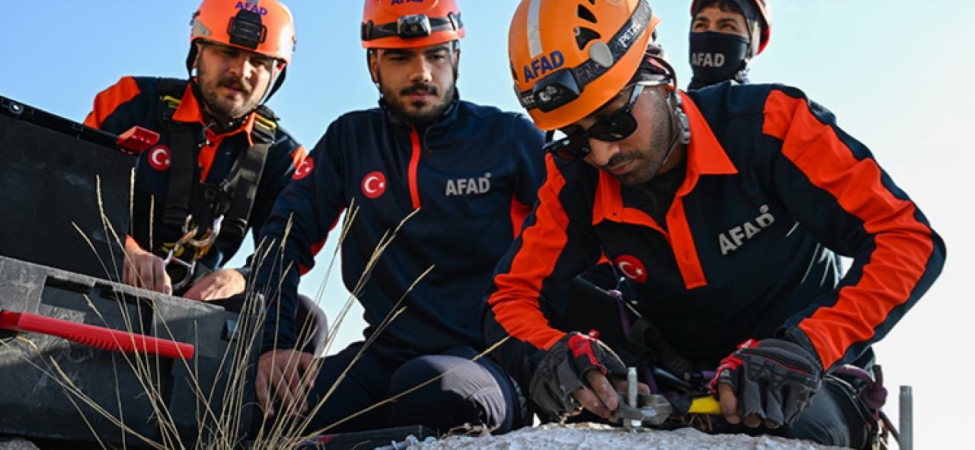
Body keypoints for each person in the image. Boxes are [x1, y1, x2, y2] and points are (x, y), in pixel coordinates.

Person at [485, 0, 945, 448]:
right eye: (576, 138)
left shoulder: (773, 124)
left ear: (659, 72)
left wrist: (811, 344)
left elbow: (907, 239)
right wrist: (547, 353)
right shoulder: (576, 180)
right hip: (674, 384)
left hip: (811, 379)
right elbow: (511, 297)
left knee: (783, 430)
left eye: (615, 121)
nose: (603, 154)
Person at [250, 0, 546, 435]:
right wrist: (274, 344)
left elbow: (576, 244)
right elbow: (284, 237)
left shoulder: (510, 137)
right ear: (374, 64)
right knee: (258, 406)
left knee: (428, 386)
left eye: (436, 55)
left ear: (457, 58)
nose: (421, 73)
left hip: (487, 363)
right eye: (400, 57)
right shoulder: (349, 140)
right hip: (384, 356)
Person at [84, 0, 307, 302]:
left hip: (197, 308)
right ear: (198, 49)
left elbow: (289, 252)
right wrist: (124, 250)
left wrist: (240, 278)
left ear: (276, 72)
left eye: (258, 62)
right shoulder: (132, 102)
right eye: (228, 52)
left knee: (307, 317)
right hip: (100, 278)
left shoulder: (284, 157)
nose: (242, 71)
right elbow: (73, 191)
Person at [688, 0, 770, 89]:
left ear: (753, 43)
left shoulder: (766, 102)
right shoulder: (673, 101)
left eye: (727, 26)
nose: (710, 32)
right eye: (700, 25)